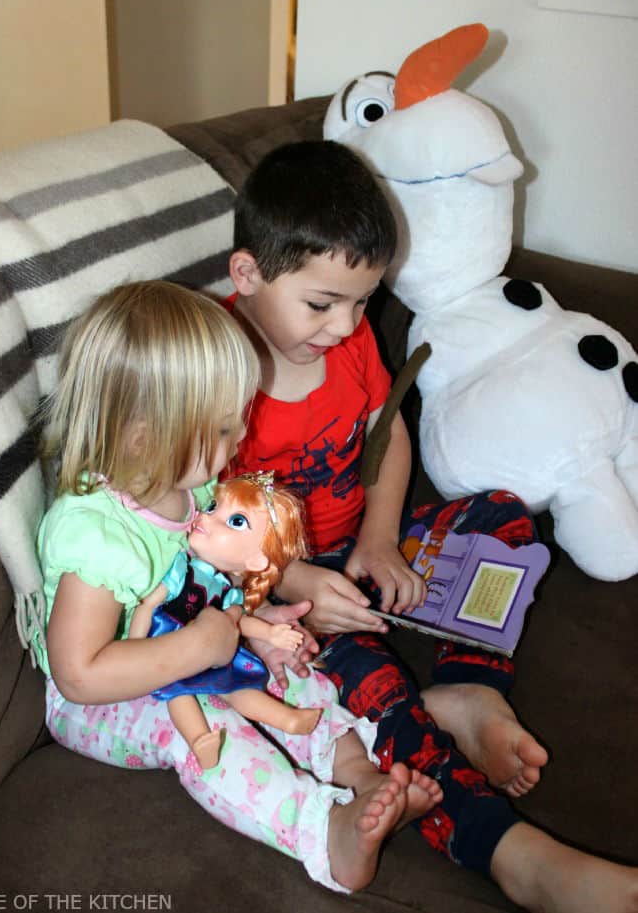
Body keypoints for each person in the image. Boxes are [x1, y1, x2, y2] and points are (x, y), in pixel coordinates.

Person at [223, 140, 638, 912]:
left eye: (364, 301)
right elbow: (200, 512)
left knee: (504, 516)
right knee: (371, 697)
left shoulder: (346, 346)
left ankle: (467, 689)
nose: (349, 325)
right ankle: (514, 854)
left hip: (364, 547)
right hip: (287, 589)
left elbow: (388, 428)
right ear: (246, 274)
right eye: (323, 303)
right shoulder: (212, 366)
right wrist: (291, 575)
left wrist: (381, 537)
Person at [34, 278, 443, 894]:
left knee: (290, 669)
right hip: (102, 700)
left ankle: (355, 769)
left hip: (191, 644)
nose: (238, 442)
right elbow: (80, 674)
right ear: (145, 435)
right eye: (223, 428)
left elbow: (212, 577)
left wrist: (268, 622)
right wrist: (202, 650)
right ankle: (322, 832)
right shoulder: (96, 537)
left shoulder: (189, 488)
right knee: (200, 728)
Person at [129, 472, 323, 770]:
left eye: (235, 521)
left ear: (256, 561)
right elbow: (147, 606)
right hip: (169, 648)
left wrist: (272, 635)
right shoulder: (181, 568)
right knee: (179, 693)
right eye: (211, 507)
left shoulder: (228, 593)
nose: (207, 518)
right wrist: (134, 650)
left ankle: (288, 718)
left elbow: (240, 623)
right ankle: (199, 741)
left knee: (236, 686)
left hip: (213, 653)